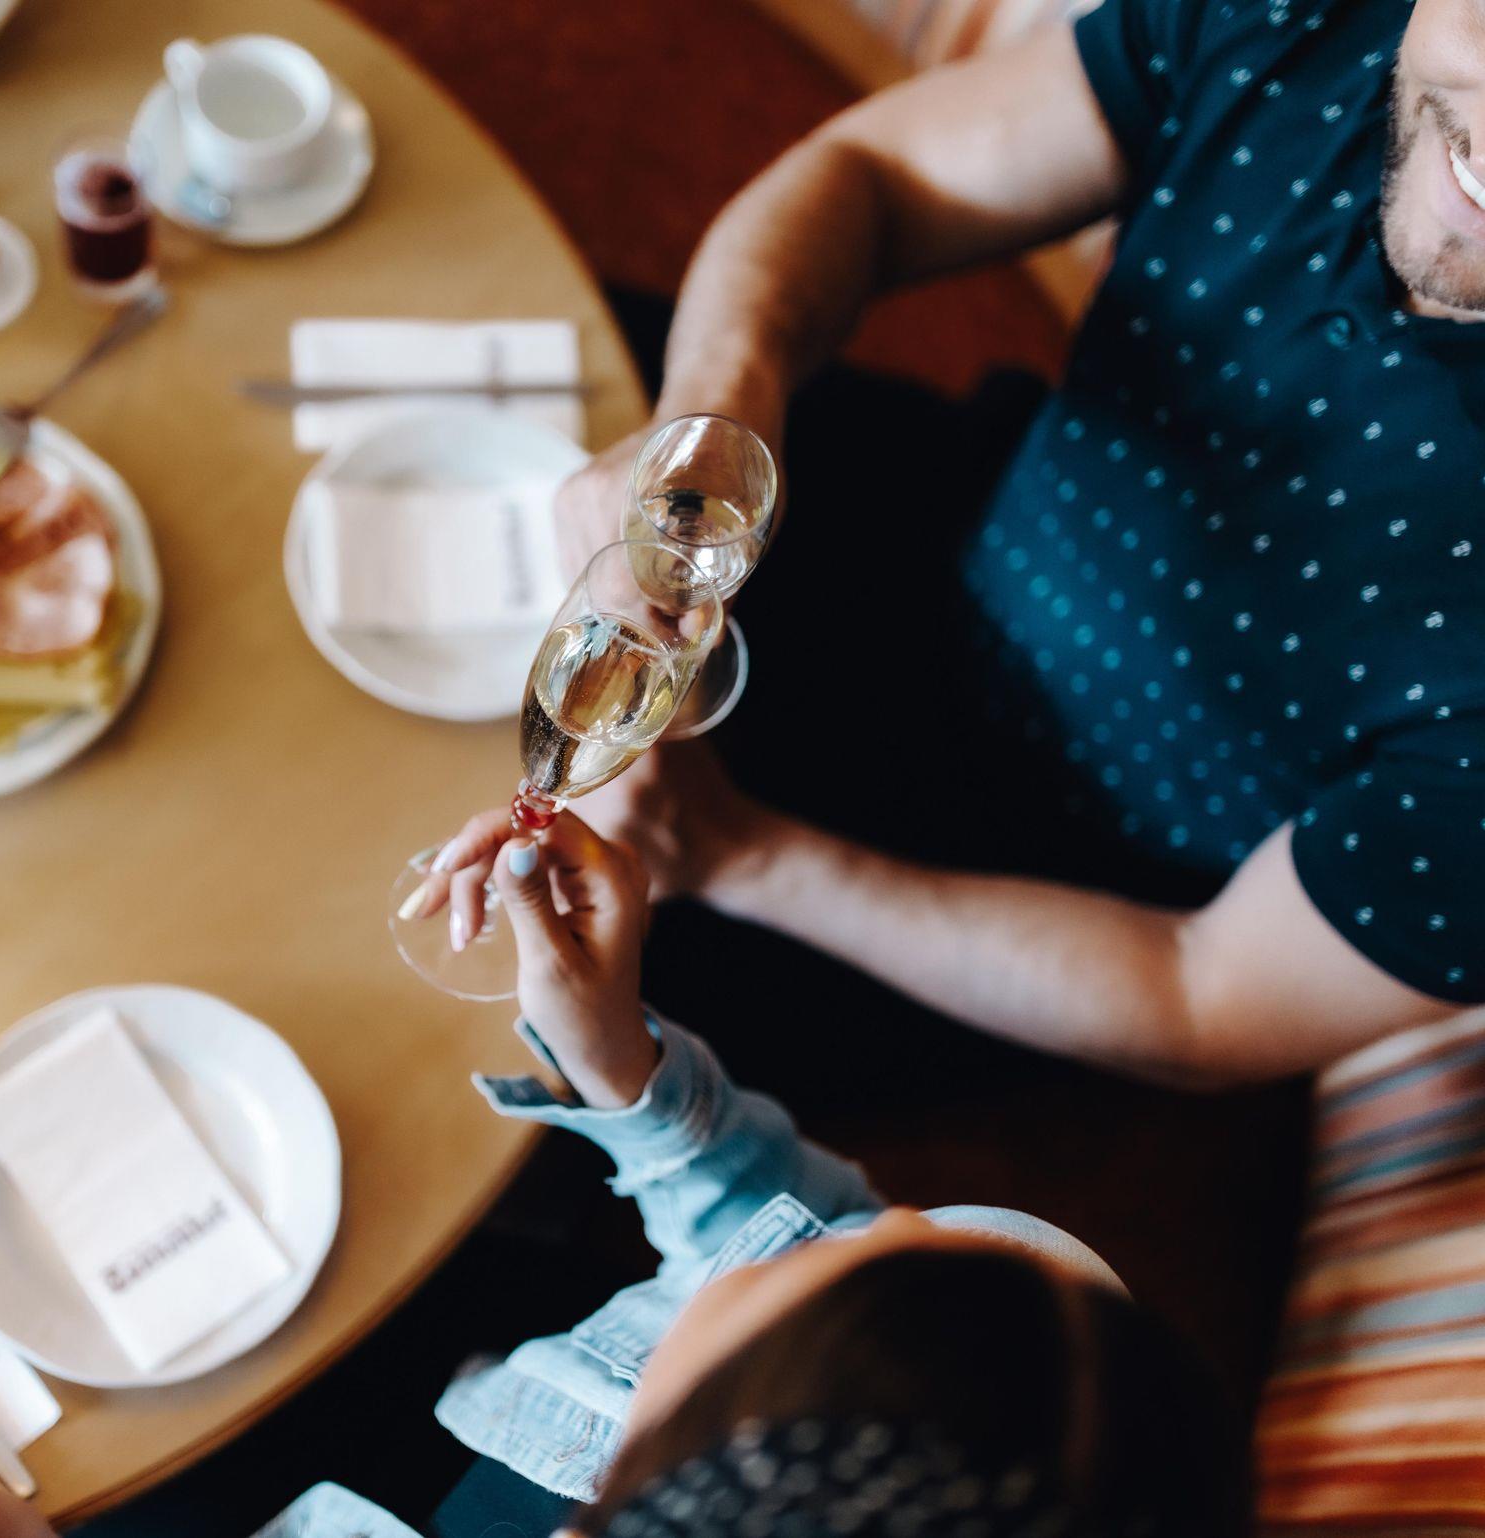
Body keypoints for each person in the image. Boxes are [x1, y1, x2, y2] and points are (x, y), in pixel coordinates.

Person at [482, 0, 1485, 1090]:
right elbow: (871, 175)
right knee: (471, 401)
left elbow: (1196, 994)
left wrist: (730, 850)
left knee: (515, 1025)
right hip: (933, 503)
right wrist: (709, 425)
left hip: (1011, 869)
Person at [0, 816, 1243, 1538]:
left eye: (815, 1272)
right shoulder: (1025, 1325)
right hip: (428, 1421)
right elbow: (768, 1219)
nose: (878, 1213)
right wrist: (621, 1064)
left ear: (655, 1464)